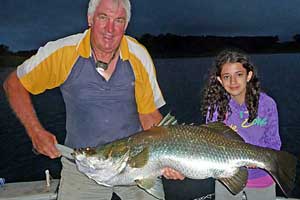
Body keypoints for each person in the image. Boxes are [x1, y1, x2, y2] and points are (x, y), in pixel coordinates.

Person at [3, 0, 183, 199]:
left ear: (126, 25)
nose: (110, 29)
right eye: (103, 17)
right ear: (90, 19)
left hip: (136, 162)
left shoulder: (137, 55)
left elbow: (149, 115)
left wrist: (171, 157)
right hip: (82, 166)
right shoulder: (64, 52)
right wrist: (36, 132)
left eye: (119, 20)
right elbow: (14, 83)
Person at [201, 49, 281, 200]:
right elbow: (209, 144)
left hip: (262, 179)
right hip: (227, 179)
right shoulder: (215, 108)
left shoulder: (267, 104)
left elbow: (274, 143)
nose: (233, 82)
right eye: (227, 77)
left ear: (249, 75)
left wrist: (257, 160)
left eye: (239, 75)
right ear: (219, 80)